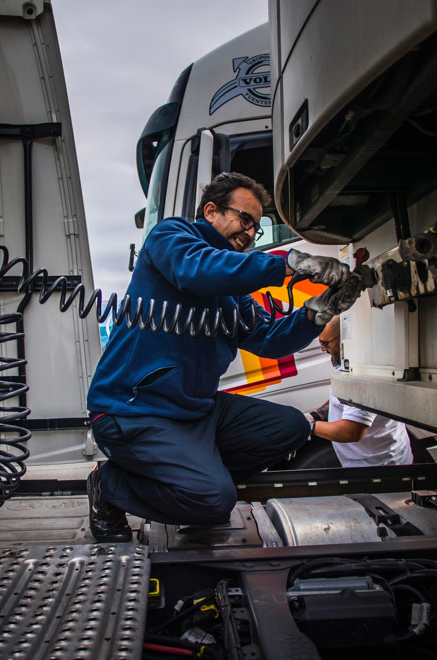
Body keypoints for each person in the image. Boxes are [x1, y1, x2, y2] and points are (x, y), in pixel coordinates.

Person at [85, 172, 352, 541]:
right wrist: (288, 262)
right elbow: (198, 271)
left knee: (292, 427)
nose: (249, 232)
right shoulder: (171, 237)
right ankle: (110, 483)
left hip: (194, 410)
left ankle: (193, 480)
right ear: (211, 210)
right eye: (245, 219)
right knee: (214, 501)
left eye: (256, 227)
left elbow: (268, 340)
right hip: (135, 410)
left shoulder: (233, 291)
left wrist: (317, 312)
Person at [308, 317, 413, 467]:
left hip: (379, 471)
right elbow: (342, 400)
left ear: (345, 338)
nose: (322, 349)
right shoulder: (351, 361)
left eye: (325, 343)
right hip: (373, 464)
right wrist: (315, 415)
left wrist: (310, 427)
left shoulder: (362, 374)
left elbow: (351, 431)